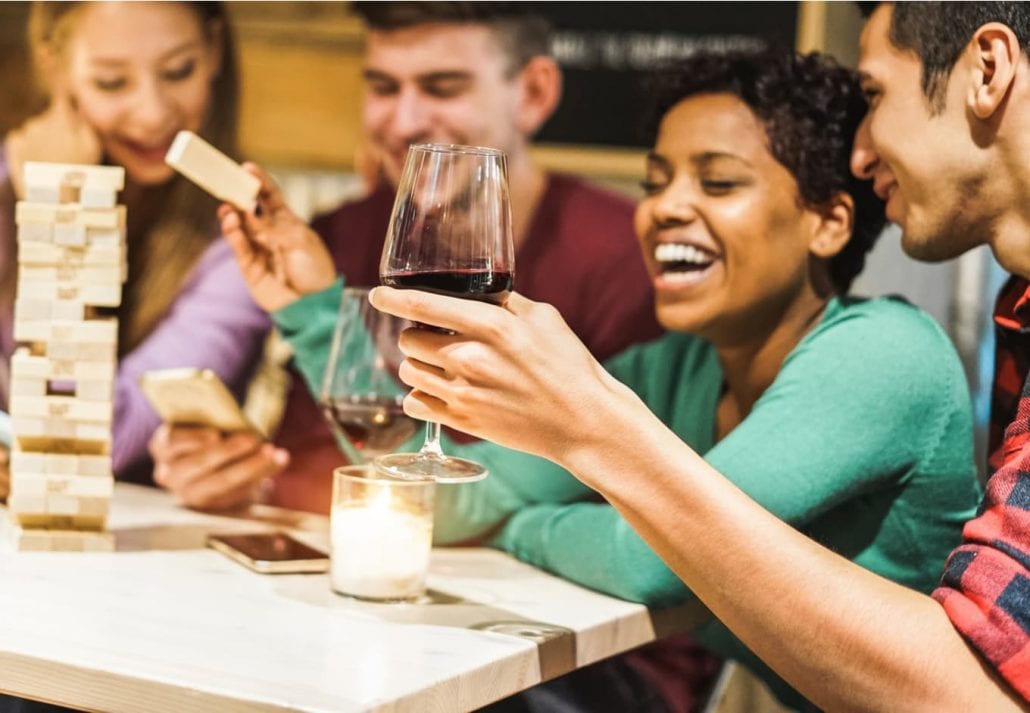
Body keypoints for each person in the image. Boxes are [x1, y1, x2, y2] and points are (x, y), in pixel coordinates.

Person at [218, 45, 982, 711]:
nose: (665, 208)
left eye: (717, 183)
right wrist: (310, 307)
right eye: (657, 180)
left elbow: (649, 560)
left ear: (829, 222)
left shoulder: (881, 355)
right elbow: (443, 506)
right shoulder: (670, 368)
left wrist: (518, 525)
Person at [148, 1, 661, 514]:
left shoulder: (621, 256)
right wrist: (241, 475)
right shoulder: (336, 237)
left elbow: (594, 495)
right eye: (384, 87)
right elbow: (314, 460)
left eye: (443, 88)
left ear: (534, 93)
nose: (405, 121)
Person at [0, 1, 271, 500]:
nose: (152, 112)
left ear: (213, 51)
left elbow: (91, 440)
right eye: (111, 82)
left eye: (177, 71)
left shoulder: (242, 238)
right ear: (54, 68)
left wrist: (66, 216)